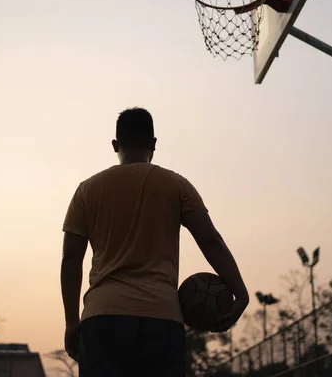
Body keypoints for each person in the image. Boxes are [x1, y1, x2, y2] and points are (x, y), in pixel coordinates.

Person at [61, 107, 249, 377]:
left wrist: (71, 322)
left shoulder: (87, 189)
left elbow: (70, 258)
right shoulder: (177, 185)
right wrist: (239, 291)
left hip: (103, 317)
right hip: (161, 318)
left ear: (115, 145)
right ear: (154, 144)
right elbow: (210, 240)